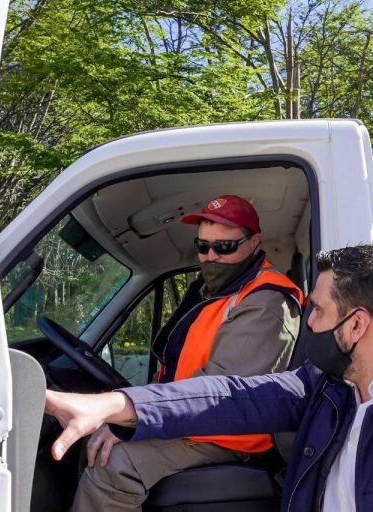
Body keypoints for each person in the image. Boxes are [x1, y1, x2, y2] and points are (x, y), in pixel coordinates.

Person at [47, 244, 373, 511]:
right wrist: (113, 404)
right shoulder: (326, 387)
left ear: (356, 326)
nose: (306, 320)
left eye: (316, 310)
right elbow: (232, 396)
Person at [71, 194, 303, 511]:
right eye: (203, 246)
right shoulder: (216, 290)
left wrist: (134, 418)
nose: (211, 256)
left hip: (230, 432)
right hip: (196, 418)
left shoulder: (266, 302)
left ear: (254, 242)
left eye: (224, 247)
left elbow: (223, 395)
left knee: (114, 461)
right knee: (98, 439)